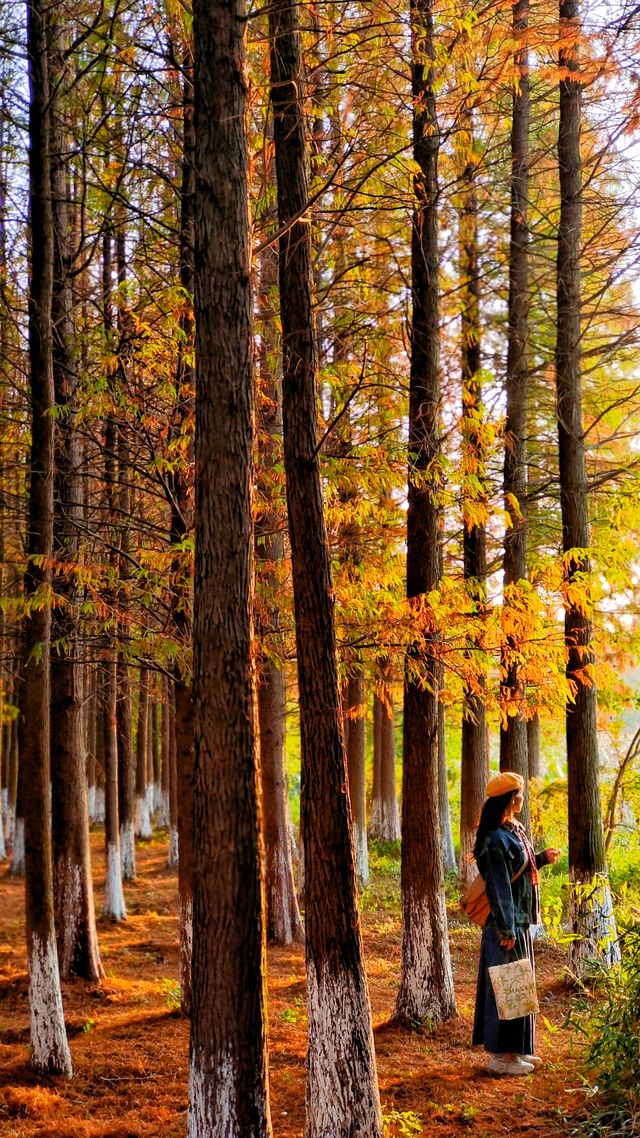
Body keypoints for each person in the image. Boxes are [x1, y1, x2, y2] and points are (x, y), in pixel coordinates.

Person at [472, 771, 561, 1076]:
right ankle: (500, 1057)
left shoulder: (512, 829)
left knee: (518, 985)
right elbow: (498, 886)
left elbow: (518, 869)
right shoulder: (494, 838)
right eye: (518, 794)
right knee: (505, 986)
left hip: (518, 921)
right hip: (504, 925)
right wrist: (507, 929)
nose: (522, 798)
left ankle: (516, 1051)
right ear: (508, 799)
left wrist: (542, 858)